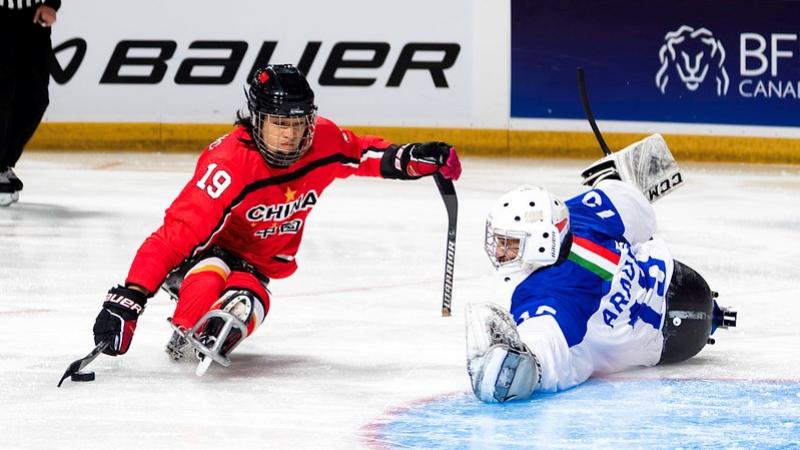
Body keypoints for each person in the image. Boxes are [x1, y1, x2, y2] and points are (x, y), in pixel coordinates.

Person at [91, 64, 462, 375]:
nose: (290, 135)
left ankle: (210, 317)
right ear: (256, 119)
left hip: (257, 265)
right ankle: (189, 304)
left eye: (298, 123)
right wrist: (129, 296)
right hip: (209, 251)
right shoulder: (230, 165)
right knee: (208, 278)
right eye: (278, 123)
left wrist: (417, 157)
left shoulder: (323, 142)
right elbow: (177, 233)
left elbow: (366, 154)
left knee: (247, 304)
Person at [466, 134, 736, 403]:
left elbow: (529, 367)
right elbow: (632, 203)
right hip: (683, 284)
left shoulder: (549, 299)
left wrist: (510, 365)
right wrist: (613, 180)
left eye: (510, 243)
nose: (499, 251)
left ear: (541, 243)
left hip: (669, 340)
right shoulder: (583, 214)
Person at [0, 0, 60, 206]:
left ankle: (4, 162)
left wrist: (52, 3)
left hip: (33, 16)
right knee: (2, 92)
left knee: (37, 98)